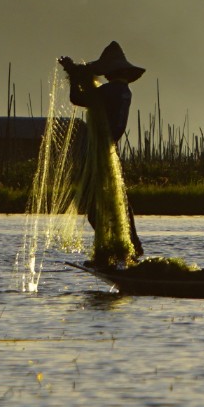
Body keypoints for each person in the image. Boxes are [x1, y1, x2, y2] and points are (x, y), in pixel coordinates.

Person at [58, 42, 146, 266]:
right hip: (109, 148)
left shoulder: (110, 91)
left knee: (95, 209)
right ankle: (130, 246)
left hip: (101, 150)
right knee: (116, 201)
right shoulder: (124, 92)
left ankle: (118, 248)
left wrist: (73, 75)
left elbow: (77, 99)